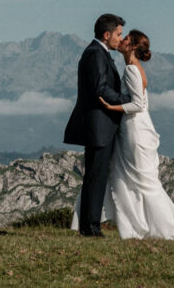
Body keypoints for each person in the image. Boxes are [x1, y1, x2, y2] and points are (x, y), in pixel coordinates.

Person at [72, 29, 174, 241]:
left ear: (133, 47)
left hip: (134, 129)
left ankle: (168, 229)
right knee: (138, 179)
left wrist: (111, 107)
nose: (121, 40)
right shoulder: (134, 68)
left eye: (126, 38)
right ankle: (142, 226)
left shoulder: (131, 69)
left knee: (142, 180)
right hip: (134, 127)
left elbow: (138, 104)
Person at [63, 13, 131, 237]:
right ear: (107, 34)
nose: (120, 39)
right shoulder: (95, 55)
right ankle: (90, 227)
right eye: (119, 34)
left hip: (102, 126)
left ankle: (91, 225)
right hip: (98, 126)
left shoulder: (99, 53)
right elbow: (100, 88)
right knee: (95, 175)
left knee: (98, 175)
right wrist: (127, 100)